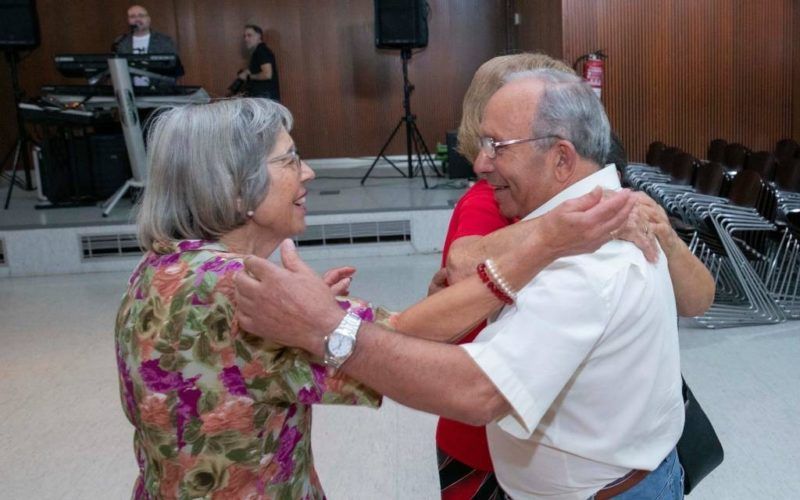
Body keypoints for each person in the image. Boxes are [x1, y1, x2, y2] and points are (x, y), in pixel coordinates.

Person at [115, 98, 634, 499]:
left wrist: (317, 321)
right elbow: (393, 338)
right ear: (234, 190)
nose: (309, 172)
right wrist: (543, 244)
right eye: (290, 159)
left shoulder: (160, 268)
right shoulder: (235, 291)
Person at [235, 70, 687, 499]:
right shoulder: (575, 231)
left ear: (562, 159)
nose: (479, 162)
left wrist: (329, 330)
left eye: (497, 145)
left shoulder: (589, 262)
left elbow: (479, 392)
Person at [436, 53, 715, 499]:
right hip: (498, 436)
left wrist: (668, 240)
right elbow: (461, 262)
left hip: (581, 452)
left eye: (499, 145)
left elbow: (698, 300)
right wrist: (562, 227)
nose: (484, 163)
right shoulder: (508, 199)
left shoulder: (603, 206)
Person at [114, 5, 181, 86]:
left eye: (141, 16)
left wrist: (160, 90)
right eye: (132, 16)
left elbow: (174, 68)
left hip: (159, 93)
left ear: (149, 19)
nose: (137, 19)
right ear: (128, 21)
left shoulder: (164, 41)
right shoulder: (122, 42)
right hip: (131, 92)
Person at [238, 24, 281, 100]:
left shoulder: (261, 51)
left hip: (265, 97)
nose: (246, 39)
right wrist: (248, 72)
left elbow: (267, 74)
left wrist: (248, 77)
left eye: (249, 35)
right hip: (265, 97)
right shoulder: (259, 51)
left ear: (259, 36)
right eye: (244, 36)